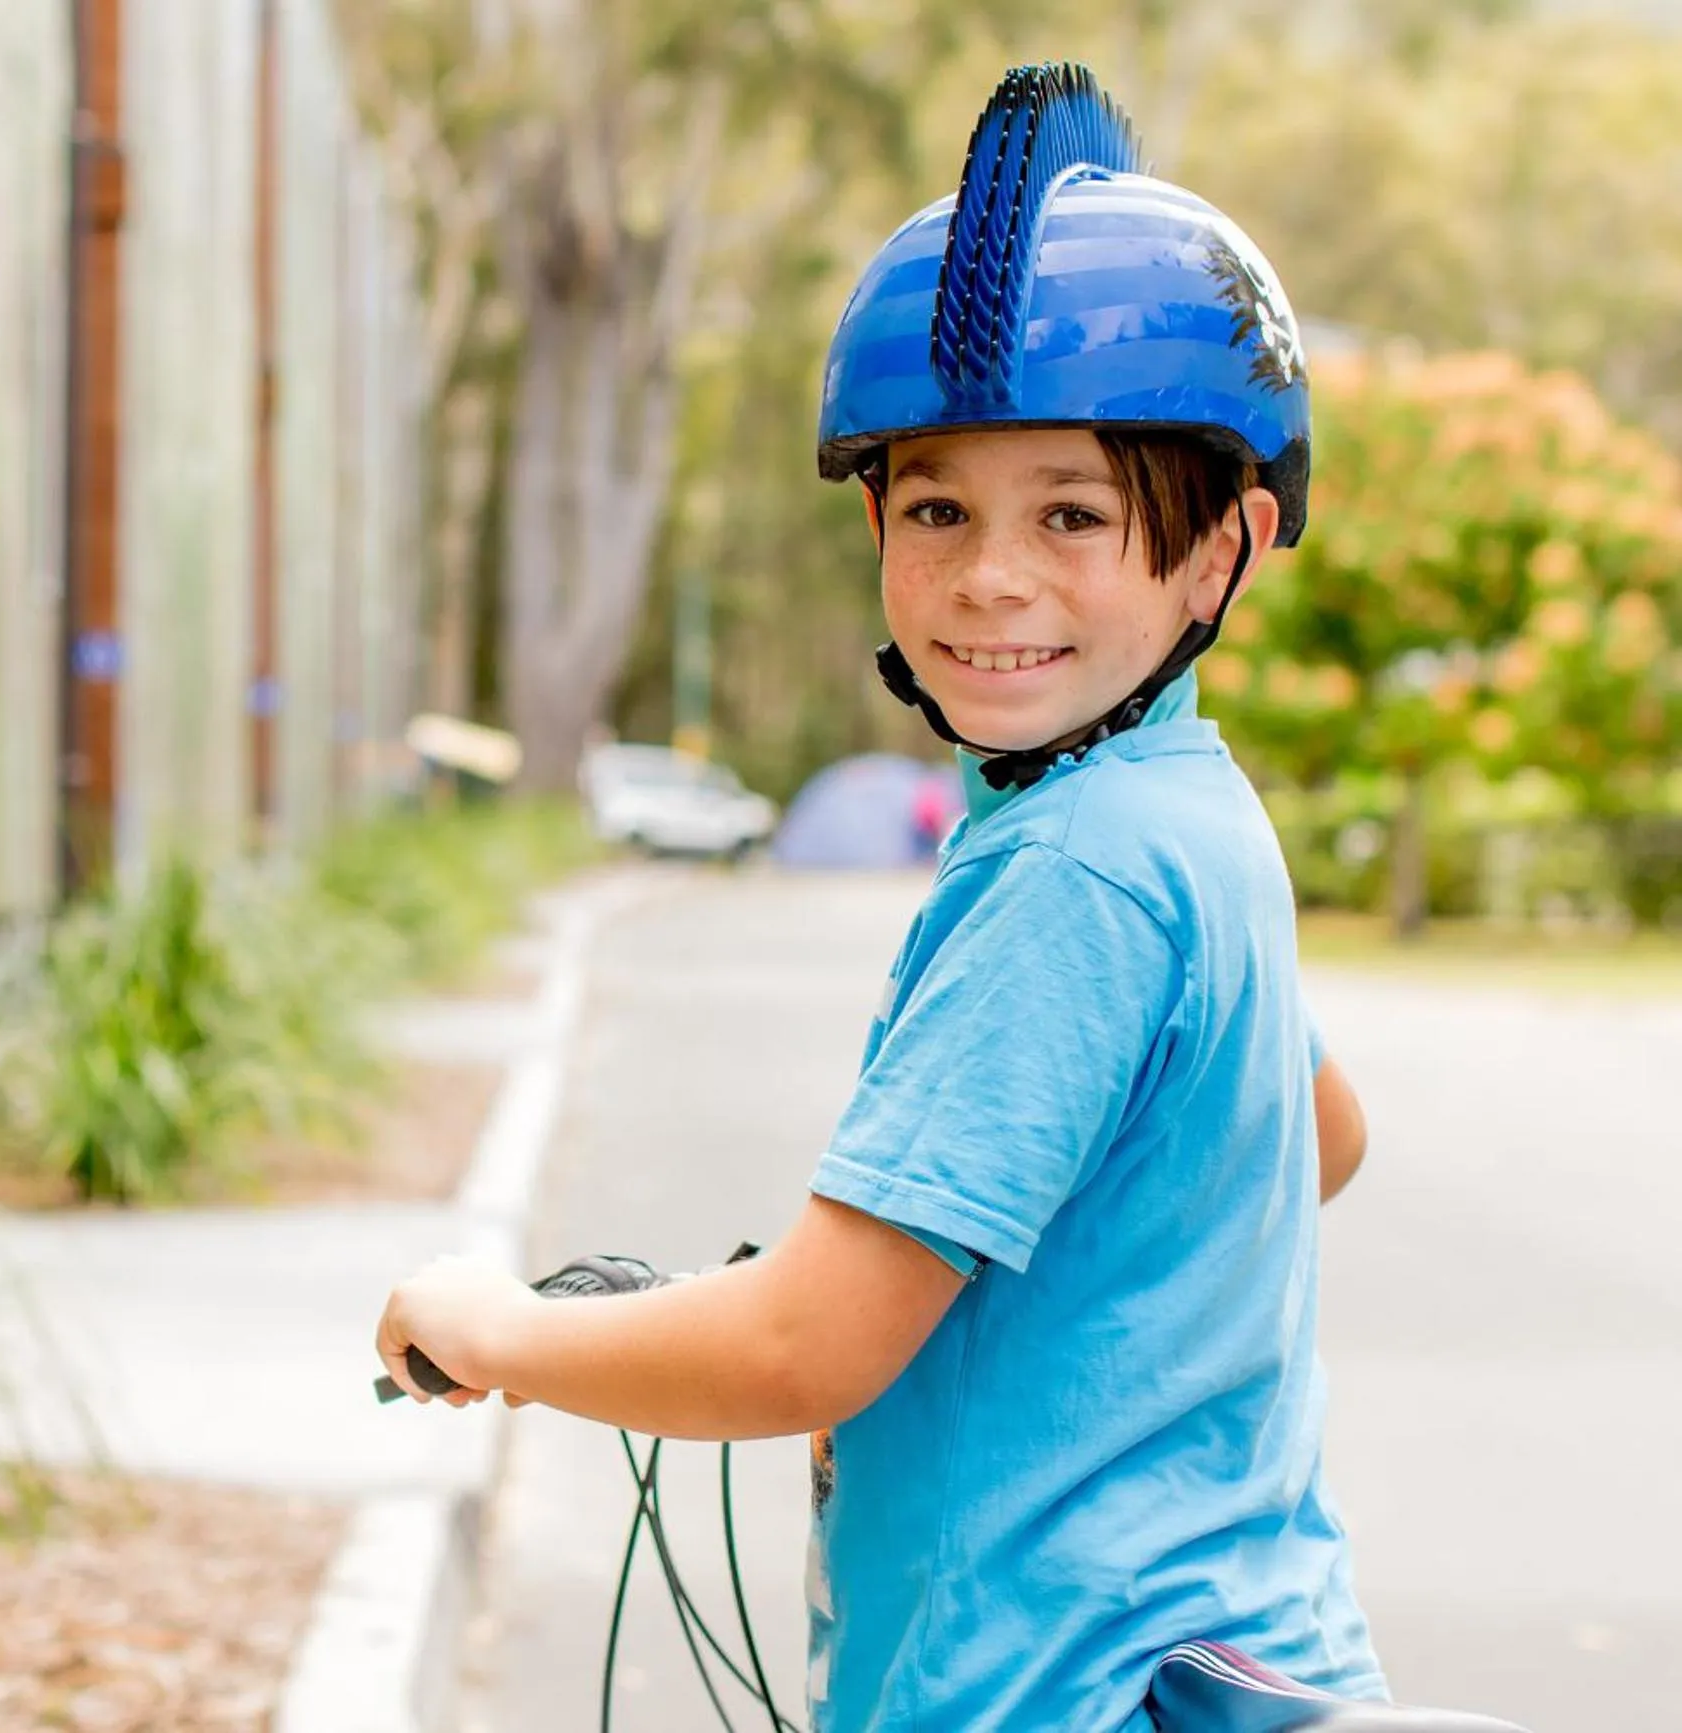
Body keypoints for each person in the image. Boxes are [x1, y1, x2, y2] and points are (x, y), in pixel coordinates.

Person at [374, 61, 1386, 1730]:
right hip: (1235, 1664)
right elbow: (1319, 1134)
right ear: (875, 520)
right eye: (937, 507)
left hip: (1050, 1693)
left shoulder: (1075, 870)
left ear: (1223, 553)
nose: (991, 574)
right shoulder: (1183, 807)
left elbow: (798, 1353)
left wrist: (492, 1331)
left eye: (1074, 513)